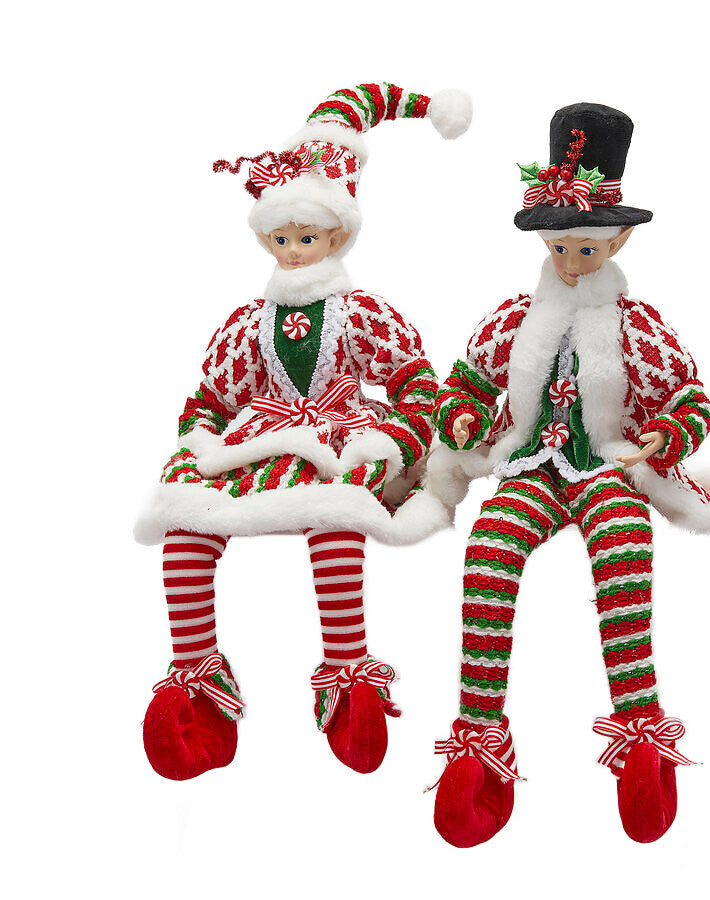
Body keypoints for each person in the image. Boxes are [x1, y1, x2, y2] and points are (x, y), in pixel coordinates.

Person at [426, 103, 710, 845]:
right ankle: (479, 731)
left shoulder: (639, 326)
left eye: (586, 249)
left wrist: (663, 435)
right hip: (530, 467)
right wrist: (465, 417)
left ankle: (640, 727)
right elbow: (467, 380)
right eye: (560, 248)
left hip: (607, 467)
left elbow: (691, 398)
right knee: (489, 550)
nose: (571, 263)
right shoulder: (514, 318)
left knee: (624, 548)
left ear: (618, 240)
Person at [135, 81, 472, 780]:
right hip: (265, 443)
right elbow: (209, 400)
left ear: (337, 235)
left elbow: (416, 387)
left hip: (341, 443)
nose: (293, 252)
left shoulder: (364, 314)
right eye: (281, 238)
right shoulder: (246, 324)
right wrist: (197, 447)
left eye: (307, 237)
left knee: (337, 519)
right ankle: (196, 675)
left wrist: (393, 445)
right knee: (186, 525)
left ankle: (348, 672)